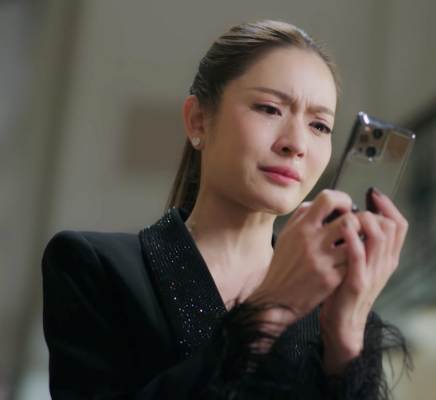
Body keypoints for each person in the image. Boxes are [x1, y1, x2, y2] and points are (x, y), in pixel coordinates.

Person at [41, 20, 413, 399]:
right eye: (269, 108)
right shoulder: (95, 266)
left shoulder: (333, 313)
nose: (296, 144)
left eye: (319, 126)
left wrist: (346, 344)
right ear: (198, 120)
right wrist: (271, 308)